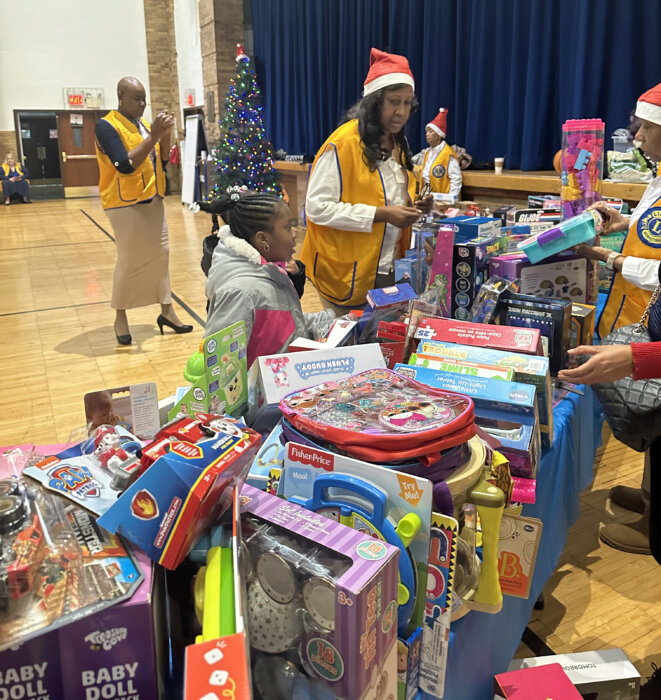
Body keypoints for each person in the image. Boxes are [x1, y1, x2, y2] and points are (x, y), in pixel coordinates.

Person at [301, 48, 433, 312]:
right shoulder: (343, 144)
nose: (401, 111)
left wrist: (418, 204)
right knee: (352, 349)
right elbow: (316, 208)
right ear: (373, 102)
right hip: (344, 274)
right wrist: (382, 214)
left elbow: (391, 193)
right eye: (394, 101)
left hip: (387, 267)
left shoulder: (398, 142)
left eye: (407, 103)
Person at [95, 76, 192, 345]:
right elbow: (124, 165)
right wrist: (153, 136)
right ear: (120, 95)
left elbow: (161, 160)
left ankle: (167, 312)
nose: (142, 104)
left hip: (152, 198)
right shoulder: (106, 126)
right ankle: (121, 316)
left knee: (162, 254)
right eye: (136, 99)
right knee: (129, 259)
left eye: (144, 99)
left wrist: (165, 135)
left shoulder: (143, 125)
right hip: (122, 203)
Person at [205, 191, 335, 367]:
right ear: (263, 239)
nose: (295, 234)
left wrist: (332, 320)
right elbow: (221, 367)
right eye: (288, 227)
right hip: (265, 391)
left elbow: (284, 326)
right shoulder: (240, 293)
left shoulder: (269, 273)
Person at [588, 82, 661, 339]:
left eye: (648, 127)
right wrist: (626, 223)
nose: (638, 136)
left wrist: (610, 258)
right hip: (628, 320)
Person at [418, 108, 462, 198]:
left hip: (444, 201)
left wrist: (451, 200)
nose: (427, 134)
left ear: (439, 135)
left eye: (430, 131)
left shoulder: (448, 154)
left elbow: (456, 179)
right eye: (426, 131)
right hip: (429, 200)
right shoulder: (427, 153)